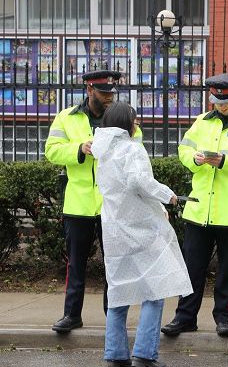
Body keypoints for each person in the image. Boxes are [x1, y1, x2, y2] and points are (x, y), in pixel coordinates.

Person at [161, 73, 228, 338]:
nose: (220, 105)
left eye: (226, 101)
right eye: (216, 101)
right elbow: (183, 150)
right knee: (191, 268)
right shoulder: (202, 122)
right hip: (200, 208)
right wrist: (195, 160)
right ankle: (185, 317)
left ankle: (224, 318)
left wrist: (224, 162)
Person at [91, 102, 192, 367]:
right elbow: (138, 182)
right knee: (154, 290)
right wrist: (166, 196)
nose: (137, 124)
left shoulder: (103, 151)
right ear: (126, 123)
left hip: (114, 229)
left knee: (119, 291)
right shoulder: (132, 149)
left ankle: (115, 354)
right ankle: (145, 355)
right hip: (140, 229)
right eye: (135, 120)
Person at [45, 70, 142, 333]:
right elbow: (51, 150)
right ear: (89, 91)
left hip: (112, 205)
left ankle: (113, 318)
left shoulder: (119, 117)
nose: (109, 98)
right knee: (76, 263)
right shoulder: (67, 117)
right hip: (79, 204)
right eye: (103, 93)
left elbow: (137, 143)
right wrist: (79, 148)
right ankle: (71, 315)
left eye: (112, 93)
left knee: (114, 263)